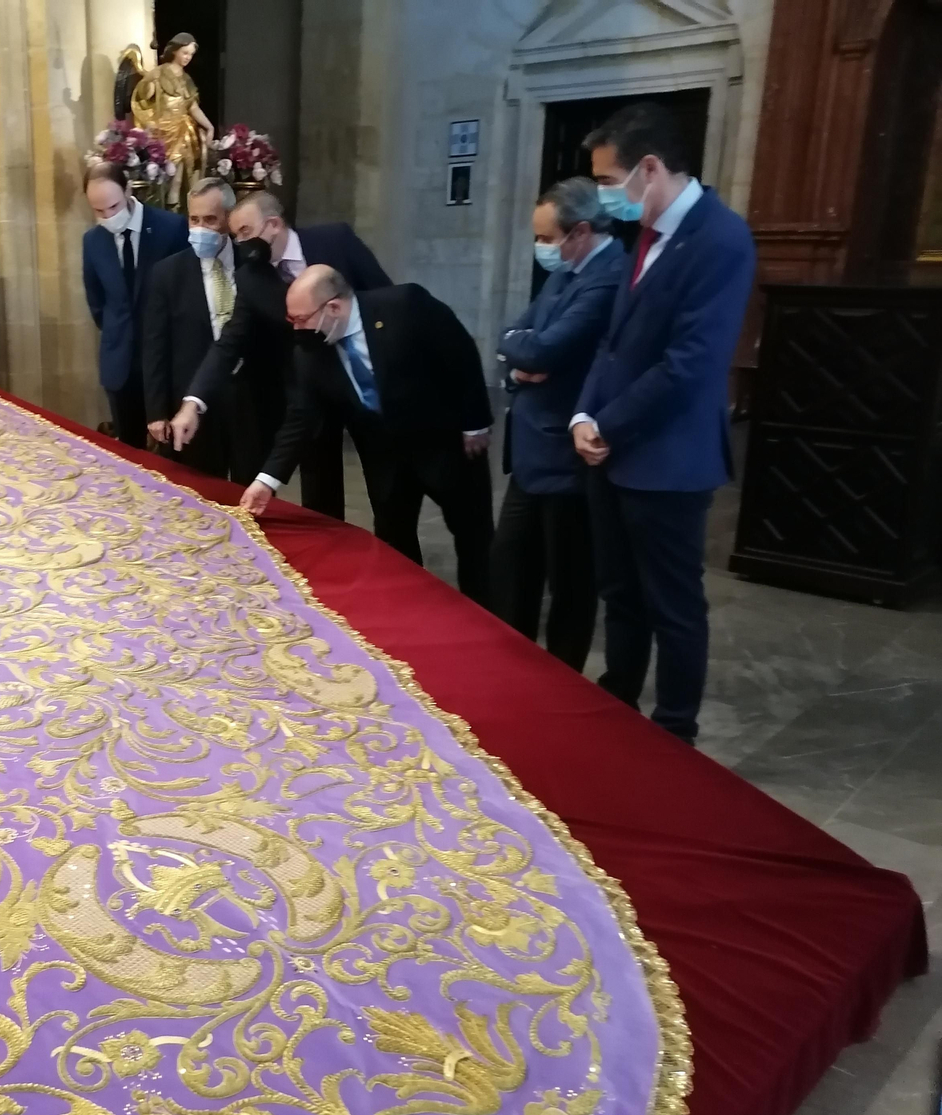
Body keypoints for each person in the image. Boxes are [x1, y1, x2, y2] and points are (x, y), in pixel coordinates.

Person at [573, 102, 756, 743]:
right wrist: (584, 413)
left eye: (607, 179)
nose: (604, 194)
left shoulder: (720, 239)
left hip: (669, 458)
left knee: (673, 605)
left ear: (648, 169)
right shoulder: (646, 232)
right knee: (620, 593)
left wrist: (608, 424)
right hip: (612, 448)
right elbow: (613, 342)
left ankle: (674, 731)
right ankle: (618, 700)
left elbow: (690, 365)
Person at [241, 266, 495, 604]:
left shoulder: (406, 306)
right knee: (394, 540)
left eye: (301, 319)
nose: (297, 329)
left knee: (474, 538)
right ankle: (410, 608)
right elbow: (301, 417)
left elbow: (461, 356)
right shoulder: (311, 351)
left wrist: (475, 423)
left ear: (333, 307)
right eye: (292, 320)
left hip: (444, 443)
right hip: (385, 455)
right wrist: (267, 480)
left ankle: (487, 614)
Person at [168, 190, 392, 517]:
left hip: (365, 383)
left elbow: (382, 297)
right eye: (236, 235)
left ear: (273, 224)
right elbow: (230, 342)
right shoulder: (251, 276)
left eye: (245, 231)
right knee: (320, 501)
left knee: (388, 493)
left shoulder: (335, 240)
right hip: (311, 394)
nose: (241, 242)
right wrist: (193, 403)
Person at [490, 178, 626, 672]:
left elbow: (545, 349)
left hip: (567, 455)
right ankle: (514, 665)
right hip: (531, 453)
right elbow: (512, 333)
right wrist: (518, 358)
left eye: (547, 238)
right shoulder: (566, 272)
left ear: (581, 231)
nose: (541, 247)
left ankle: (561, 676)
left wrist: (523, 349)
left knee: (569, 579)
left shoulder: (609, 277)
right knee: (511, 565)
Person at [141, 177, 251, 479]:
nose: (200, 228)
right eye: (194, 219)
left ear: (229, 218)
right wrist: (156, 412)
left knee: (250, 491)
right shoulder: (167, 274)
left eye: (210, 220)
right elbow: (155, 346)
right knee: (201, 490)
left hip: (248, 400)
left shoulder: (252, 263)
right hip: (191, 400)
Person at [81, 160, 189, 449]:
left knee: (173, 452)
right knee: (128, 452)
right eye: (98, 211)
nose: (108, 216)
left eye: (113, 207)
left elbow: (184, 293)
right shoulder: (93, 240)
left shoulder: (170, 227)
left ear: (128, 190)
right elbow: (96, 300)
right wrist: (118, 331)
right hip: (120, 364)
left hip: (166, 362)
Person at [130, 33, 215, 209]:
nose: (188, 57)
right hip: (163, 132)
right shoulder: (159, 73)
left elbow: (192, 107)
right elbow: (145, 96)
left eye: (191, 54)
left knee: (179, 178)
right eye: (185, 52)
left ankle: (176, 212)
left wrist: (209, 127)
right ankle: (162, 211)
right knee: (162, 179)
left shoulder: (186, 79)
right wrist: (149, 82)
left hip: (182, 131)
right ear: (175, 50)